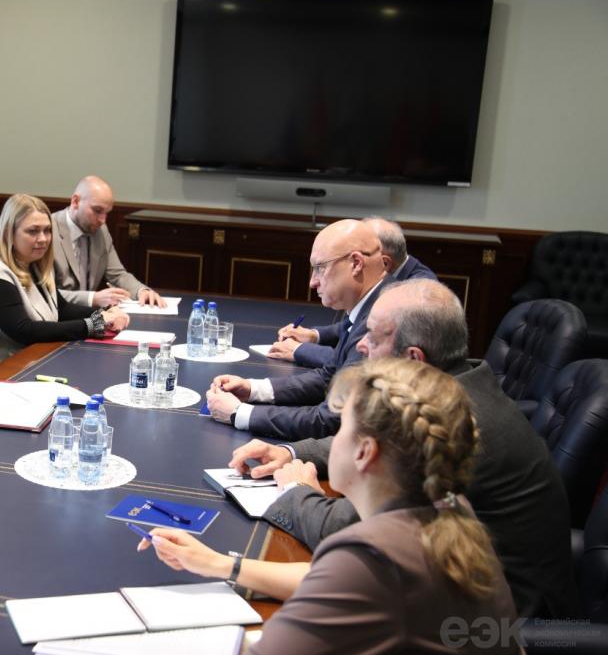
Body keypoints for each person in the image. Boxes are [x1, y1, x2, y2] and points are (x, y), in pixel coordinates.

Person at [231, 279, 576, 618]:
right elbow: (368, 441)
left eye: (373, 336)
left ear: (413, 358)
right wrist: (292, 452)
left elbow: (351, 529)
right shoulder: (457, 386)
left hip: (491, 622)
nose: (360, 346)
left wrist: (296, 492)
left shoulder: (455, 426)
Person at [140, 358, 520, 653]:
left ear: (364, 452)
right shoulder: (451, 507)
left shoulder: (373, 558)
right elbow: (323, 579)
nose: (331, 442)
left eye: (341, 429)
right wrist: (220, 565)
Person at [205, 219, 387, 440]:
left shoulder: (380, 320)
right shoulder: (368, 306)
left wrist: (239, 413)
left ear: (356, 263)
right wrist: (253, 389)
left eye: (320, 268)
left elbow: (332, 420)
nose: (312, 282)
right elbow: (330, 377)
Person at [0, 194, 130, 372]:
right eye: (33, 231)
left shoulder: (34, 264)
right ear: (8, 233)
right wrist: (93, 324)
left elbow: (62, 309)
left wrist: (105, 314)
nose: (43, 238)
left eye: (47, 230)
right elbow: (24, 331)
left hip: (30, 362)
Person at [271, 217, 436, 367]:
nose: (313, 282)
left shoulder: (419, 295)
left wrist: (301, 350)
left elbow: (360, 361)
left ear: (382, 262)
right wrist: (315, 335)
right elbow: (357, 324)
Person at [52, 175, 165, 308]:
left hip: (88, 315)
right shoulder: (47, 231)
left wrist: (142, 291)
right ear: (76, 202)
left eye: (107, 213)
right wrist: (92, 298)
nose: (103, 220)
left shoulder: (100, 230)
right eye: (97, 211)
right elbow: (46, 295)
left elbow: (117, 275)